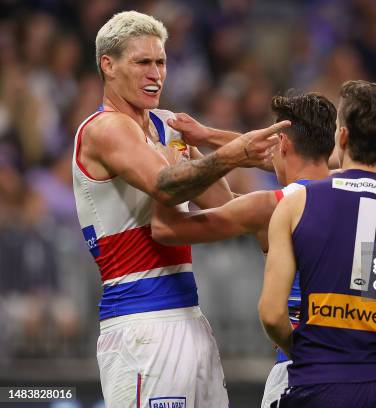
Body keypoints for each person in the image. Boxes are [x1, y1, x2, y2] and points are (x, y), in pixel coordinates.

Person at [72, 11, 288, 408]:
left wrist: (223, 150)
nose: (155, 73)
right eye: (142, 62)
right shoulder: (105, 129)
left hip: (190, 317)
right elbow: (165, 186)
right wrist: (229, 154)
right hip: (140, 323)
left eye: (161, 62)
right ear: (108, 65)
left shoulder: (167, 125)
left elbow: (224, 205)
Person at [259, 80, 376, 408]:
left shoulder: (295, 205)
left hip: (315, 385)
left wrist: (306, 354)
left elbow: (272, 314)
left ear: (343, 136)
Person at [149, 92, 337, 408]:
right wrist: (206, 144)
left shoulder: (272, 207)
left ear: (284, 146)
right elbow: (231, 205)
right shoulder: (365, 194)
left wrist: (170, 172)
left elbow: (165, 230)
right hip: (369, 370)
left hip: (300, 371)